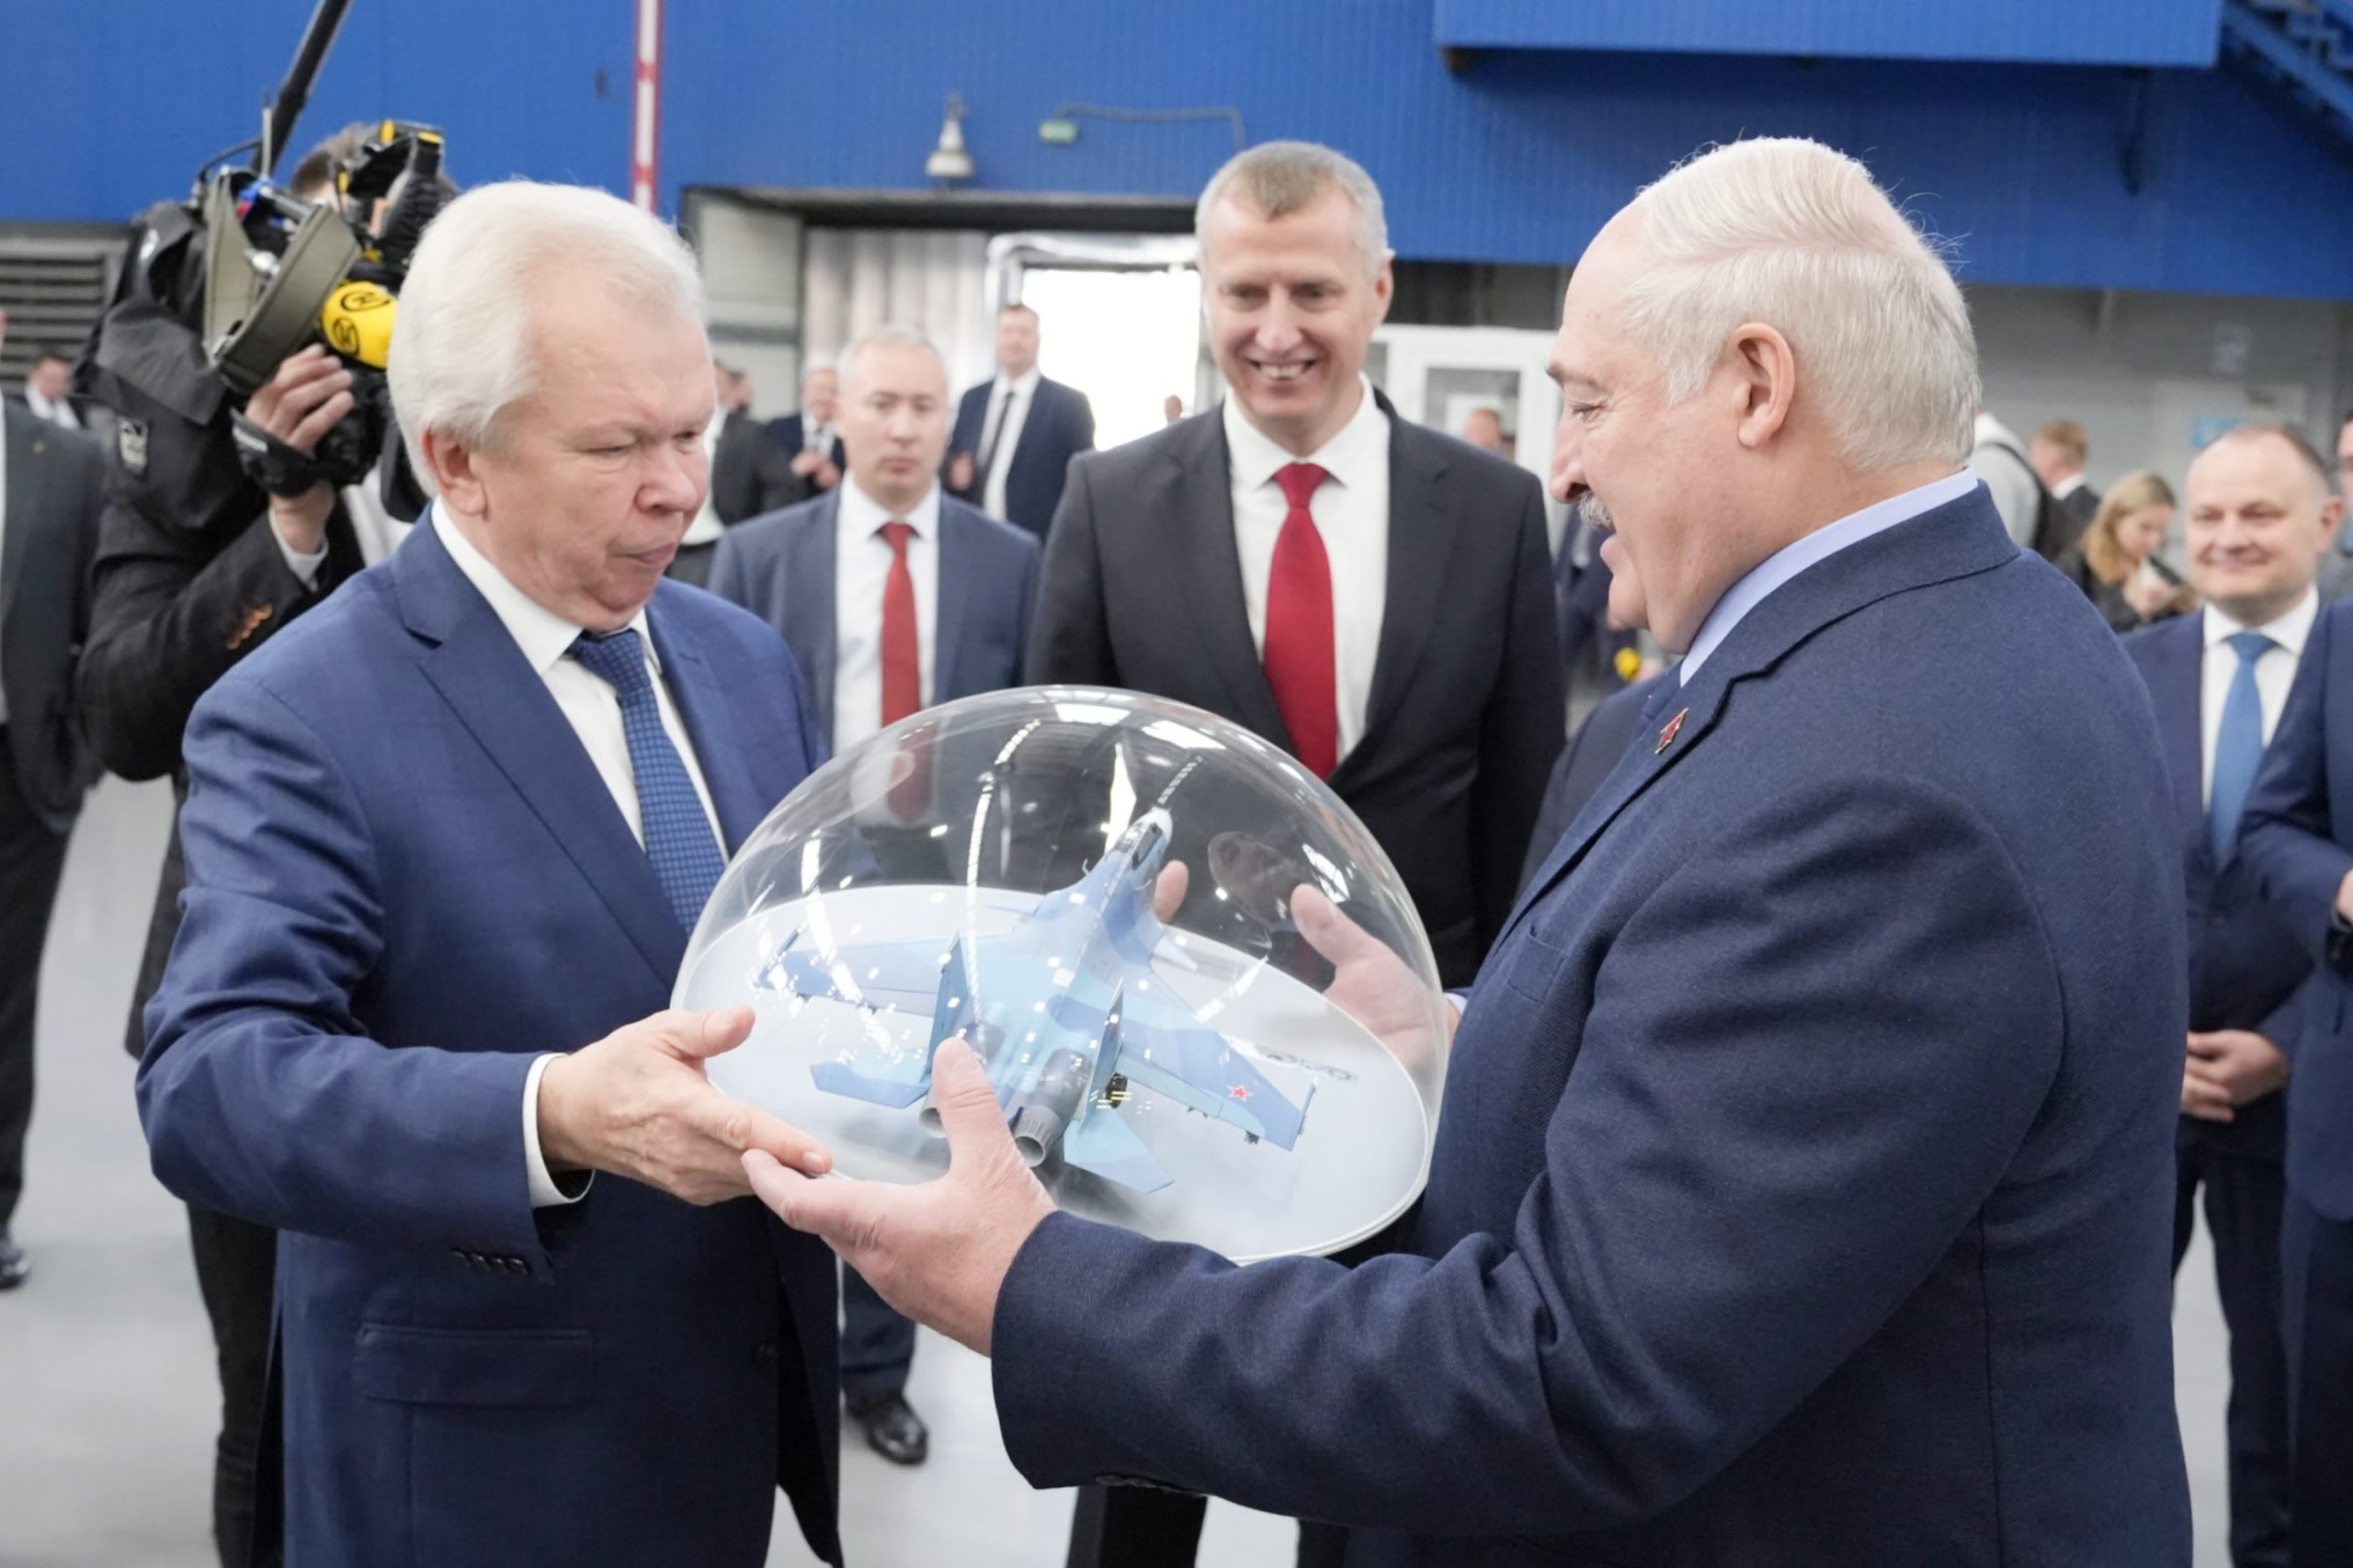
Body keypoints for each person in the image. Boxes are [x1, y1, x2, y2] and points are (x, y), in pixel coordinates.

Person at [748, 135, 2192, 1568]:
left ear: (1757, 385)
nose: (1565, 465)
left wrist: (1032, 1282)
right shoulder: (1976, 635)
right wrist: (1468, 1041)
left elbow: (1576, 1375)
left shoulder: (1875, 787)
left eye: (1591, 402)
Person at [135, 180, 843, 1567]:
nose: (679, 488)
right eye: (617, 445)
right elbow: (209, 1082)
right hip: (474, 1470)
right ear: (457, 460)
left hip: (721, 1423)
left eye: (692, 430)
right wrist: (551, 1112)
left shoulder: (743, 661)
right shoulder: (303, 711)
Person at [70, 123, 388, 1568]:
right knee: (270, 1409)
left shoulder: (503, 446)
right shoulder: (191, 460)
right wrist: (288, 517)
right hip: (262, 1017)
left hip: (483, 1036)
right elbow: (124, 714)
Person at [1027, 141, 1562, 995]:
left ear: (1378, 288)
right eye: (1245, 293)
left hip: (1424, 1004)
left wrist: (1495, 1011)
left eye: (1313, 292)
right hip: (1179, 996)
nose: (1277, 334)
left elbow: (1524, 800)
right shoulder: (1110, 504)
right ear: (1207, 293)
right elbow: (1058, 783)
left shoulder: (1493, 511)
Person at [710, 325, 1040, 1467]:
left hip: (947, 894)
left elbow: (1032, 739)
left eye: (923, 407)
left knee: (912, 1132)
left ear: (950, 422)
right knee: (784, 1110)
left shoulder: (1010, 560)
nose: (901, 427)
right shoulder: (759, 554)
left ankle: (876, 1374)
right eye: (881, 404)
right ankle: (772, 1356)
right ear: (836, 414)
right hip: (799, 888)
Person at [2121, 423, 2339, 1568]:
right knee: (2098, 1373)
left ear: (2325, 521)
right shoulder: (2123, 668)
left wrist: (2289, 1042)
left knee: (2282, 1396)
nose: (2226, 536)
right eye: (2207, 514)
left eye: (2258, 512)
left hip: (2296, 1101)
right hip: (2136, 1096)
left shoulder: (2345, 675)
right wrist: (2144, 1042)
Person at [2225, 434, 2353, 1568]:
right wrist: (2340, 890)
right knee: (2320, 1472)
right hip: (2339, 1148)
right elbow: (2275, 823)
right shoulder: (2346, 638)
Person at [0, 392, 106, 1290]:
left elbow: (99, 615)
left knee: (5, 998)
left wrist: (85, 754)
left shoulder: (67, 462)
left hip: (20, 773)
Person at [946, 302, 1096, 542]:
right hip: (974, 537)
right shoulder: (972, 399)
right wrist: (954, 473)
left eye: (1024, 332)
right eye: (1008, 331)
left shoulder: (1068, 405)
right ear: (996, 338)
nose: (1015, 340)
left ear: (1038, 340)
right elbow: (952, 457)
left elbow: (1083, 481)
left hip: (1038, 542)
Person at [671, 362, 797, 588]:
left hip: (716, 542)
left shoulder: (749, 433)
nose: (707, 388)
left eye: (716, 383)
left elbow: (782, 485)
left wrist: (757, 533)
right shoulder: (668, 428)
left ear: (730, 390)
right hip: (670, 543)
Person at [2055, 471, 2198, 633]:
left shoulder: (2167, 577)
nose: (2154, 541)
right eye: (2145, 528)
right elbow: (2067, 631)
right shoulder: (2075, 568)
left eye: (2162, 531)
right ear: (2116, 518)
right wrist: (2137, 613)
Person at [767, 363, 846, 505]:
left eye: (834, 391)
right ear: (804, 392)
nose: (826, 397)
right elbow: (760, 480)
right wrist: (792, 470)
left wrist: (838, 484)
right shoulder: (776, 429)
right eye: (820, 389)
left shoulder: (851, 436)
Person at [2032, 416, 2099, 544]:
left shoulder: (2065, 512)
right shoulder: (2098, 506)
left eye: (2034, 454)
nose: (2031, 463)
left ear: (2054, 454)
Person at [18, 350, 82, 430]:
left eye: (63, 380)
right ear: (32, 375)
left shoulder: (77, 408)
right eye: (52, 379)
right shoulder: (17, 406)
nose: (58, 385)